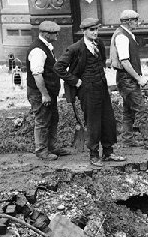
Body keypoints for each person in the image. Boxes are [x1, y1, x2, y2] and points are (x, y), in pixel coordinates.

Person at [54, 18, 125, 167]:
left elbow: (101, 62)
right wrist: (75, 81)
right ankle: (94, 155)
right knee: (93, 121)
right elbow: (58, 67)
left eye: (96, 29)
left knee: (108, 119)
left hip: (101, 86)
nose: (95, 32)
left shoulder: (99, 44)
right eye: (91, 30)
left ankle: (108, 152)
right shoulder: (75, 48)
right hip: (87, 89)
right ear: (84, 31)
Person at [109, 9, 148, 151]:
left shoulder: (127, 35)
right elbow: (125, 62)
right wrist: (138, 78)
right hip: (127, 79)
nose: (137, 23)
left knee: (128, 110)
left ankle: (127, 139)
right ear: (128, 22)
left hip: (125, 79)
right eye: (135, 20)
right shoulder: (122, 37)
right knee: (141, 109)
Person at [26, 20, 71, 160]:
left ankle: (52, 147)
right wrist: (44, 94)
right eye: (54, 33)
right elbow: (37, 74)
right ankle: (41, 151)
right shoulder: (38, 50)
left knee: (53, 118)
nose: (57, 35)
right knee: (42, 121)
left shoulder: (47, 47)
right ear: (45, 34)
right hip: (39, 93)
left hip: (49, 92)